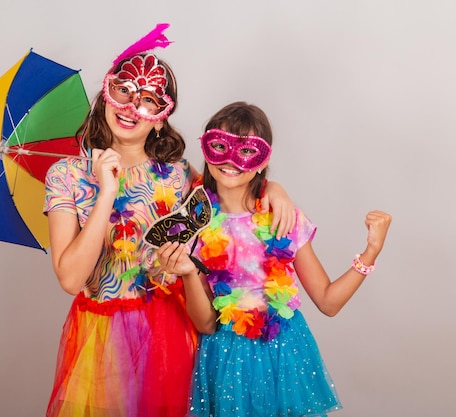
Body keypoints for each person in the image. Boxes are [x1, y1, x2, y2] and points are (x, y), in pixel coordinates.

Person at [42, 26, 296, 417]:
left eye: (148, 101)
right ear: (105, 97)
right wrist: (106, 193)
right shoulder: (67, 175)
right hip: (101, 336)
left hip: (170, 333)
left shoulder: (177, 174)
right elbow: (70, 279)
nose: (131, 107)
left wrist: (273, 187)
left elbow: (233, 192)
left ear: (160, 119)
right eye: (124, 91)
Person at [157, 101, 393, 417]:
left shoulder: (283, 218)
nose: (230, 160)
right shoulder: (195, 223)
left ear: (262, 160)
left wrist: (370, 253)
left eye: (245, 151)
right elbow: (206, 324)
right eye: (219, 146)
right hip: (226, 355)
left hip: (284, 352)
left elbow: (328, 302)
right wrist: (187, 273)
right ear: (206, 148)